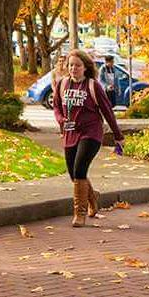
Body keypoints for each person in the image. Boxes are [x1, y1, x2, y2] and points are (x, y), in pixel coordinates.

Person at [51, 49, 124, 227]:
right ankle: (92, 197)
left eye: (77, 65)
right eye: (71, 65)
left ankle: (79, 213)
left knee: (80, 169)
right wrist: (61, 121)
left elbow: (107, 110)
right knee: (73, 173)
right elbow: (57, 107)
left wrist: (117, 135)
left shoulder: (93, 85)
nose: (73, 68)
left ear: (85, 67)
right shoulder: (62, 84)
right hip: (70, 133)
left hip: (90, 132)